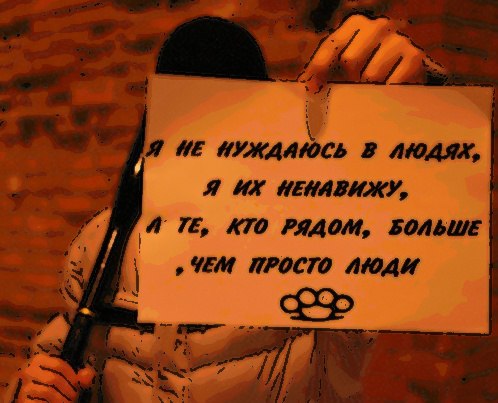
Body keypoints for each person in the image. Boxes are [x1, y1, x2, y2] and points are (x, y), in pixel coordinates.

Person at [10, 12, 445, 403]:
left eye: (229, 112)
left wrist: (422, 105)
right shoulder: (102, 243)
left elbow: (422, 227)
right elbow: (61, 366)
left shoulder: (311, 236)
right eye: (189, 110)